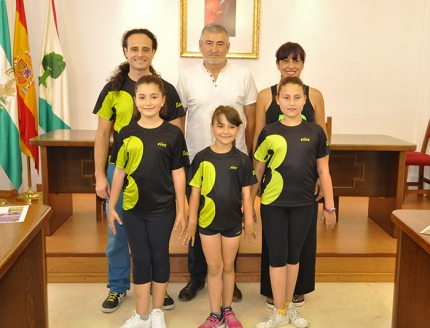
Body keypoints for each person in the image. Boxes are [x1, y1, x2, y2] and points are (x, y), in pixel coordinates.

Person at [93, 28, 185, 313]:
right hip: (119, 170)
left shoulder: (166, 89)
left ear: (154, 52)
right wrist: (99, 175)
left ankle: (159, 291)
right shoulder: (112, 90)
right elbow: (102, 134)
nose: (140, 54)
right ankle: (118, 287)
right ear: (125, 52)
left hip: (157, 175)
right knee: (118, 231)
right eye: (134, 49)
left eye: (146, 49)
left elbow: (175, 136)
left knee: (157, 240)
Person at [176, 23, 258, 303]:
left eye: (220, 43)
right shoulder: (186, 78)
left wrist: (247, 153)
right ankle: (197, 276)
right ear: (200, 46)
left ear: (228, 47)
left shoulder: (244, 75)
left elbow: (251, 119)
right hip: (197, 161)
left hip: (234, 163)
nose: (214, 48)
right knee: (198, 217)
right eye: (208, 43)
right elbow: (180, 121)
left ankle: (228, 277)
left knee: (230, 218)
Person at [251, 77, 336, 328]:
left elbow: (324, 172)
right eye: (286, 97)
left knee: (293, 257)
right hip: (273, 203)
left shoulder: (316, 132)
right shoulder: (268, 132)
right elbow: (257, 171)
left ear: (305, 100)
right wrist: (247, 207)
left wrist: (329, 206)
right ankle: (278, 311)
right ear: (277, 101)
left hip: (303, 205)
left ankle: (289, 308)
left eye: (297, 97)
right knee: (277, 256)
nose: (291, 102)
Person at [108, 75, 189, 328]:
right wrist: (111, 205)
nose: (148, 102)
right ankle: (142, 316)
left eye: (154, 97)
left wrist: (181, 207)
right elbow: (119, 171)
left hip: (162, 209)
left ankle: (157, 313)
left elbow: (178, 173)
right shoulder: (125, 132)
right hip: (132, 208)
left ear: (163, 100)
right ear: (135, 100)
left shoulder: (173, 133)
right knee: (140, 258)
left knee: (159, 256)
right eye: (142, 97)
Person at [182, 106, 259, 328]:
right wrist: (191, 222)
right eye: (220, 125)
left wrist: (249, 221)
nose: (226, 131)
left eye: (232, 126)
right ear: (212, 128)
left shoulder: (243, 160)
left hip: (233, 223)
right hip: (208, 224)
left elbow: (246, 194)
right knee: (213, 268)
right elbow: (194, 193)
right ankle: (214, 314)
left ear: (238, 129)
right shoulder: (202, 157)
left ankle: (227, 310)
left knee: (228, 266)